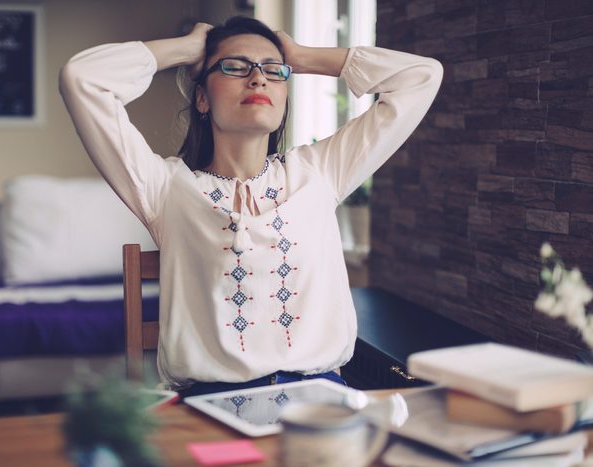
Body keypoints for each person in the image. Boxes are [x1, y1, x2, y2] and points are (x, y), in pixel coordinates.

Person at [59, 16, 442, 397]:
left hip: (321, 403)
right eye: (235, 67)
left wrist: (303, 57)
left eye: (273, 71)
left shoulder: (320, 172)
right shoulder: (166, 188)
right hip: (208, 406)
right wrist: (188, 49)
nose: (258, 79)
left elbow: (421, 76)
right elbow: (83, 79)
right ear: (203, 98)